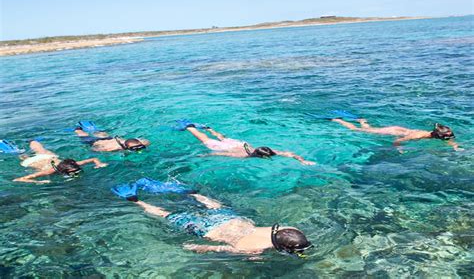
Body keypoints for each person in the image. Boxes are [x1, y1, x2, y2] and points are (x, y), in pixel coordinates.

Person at [112, 178, 313, 256]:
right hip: (207, 230)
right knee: (167, 215)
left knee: (214, 205)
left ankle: (191, 193)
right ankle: (135, 200)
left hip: (231, 219)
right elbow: (217, 247)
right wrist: (197, 247)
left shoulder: (291, 229)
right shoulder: (253, 249)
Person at [176, 120, 315, 165]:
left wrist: (303, 160)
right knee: (204, 139)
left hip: (239, 144)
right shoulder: (243, 156)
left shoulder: (264, 151)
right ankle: (189, 127)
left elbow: (290, 154)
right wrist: (204, 156)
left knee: (222, 137)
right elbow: (220, 154)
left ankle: (209, 128)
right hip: (230, 147)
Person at [332, 119, 461, 151]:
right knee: (357, 130)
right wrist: (399, 148)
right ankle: (338, 120)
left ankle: (362, 120)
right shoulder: (417, 136)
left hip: (402, 129)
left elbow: (447, 140)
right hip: (393, 131)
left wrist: (455, 147)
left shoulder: (432, 134)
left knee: (370, 129)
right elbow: (397, 140)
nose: (447, 139)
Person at [13, 140, 108, 184]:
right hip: (34, 161)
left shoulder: (73, 165)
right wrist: (38, 182)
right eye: (73, 172)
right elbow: (19, 179)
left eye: (77, 171)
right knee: (24, 157)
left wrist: (99, 163)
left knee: (41, 149)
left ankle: (31, 140)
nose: (76, 173)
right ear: (63, 171)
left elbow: (93, 159)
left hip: (50, 157)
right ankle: (18, 152)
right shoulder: (50, 171)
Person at [74, 127, 150, 152]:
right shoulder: (113, 148)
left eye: (140, 147)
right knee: (84, 136)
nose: (138, 150)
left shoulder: (142, 143)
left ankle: (96, 130)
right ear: (126, 147)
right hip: (94, 141)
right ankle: (78, 129)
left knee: (102, 134)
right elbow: (95, 149)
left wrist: (142, 145)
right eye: (134, 149)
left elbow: (146, 141)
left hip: (110, 139)